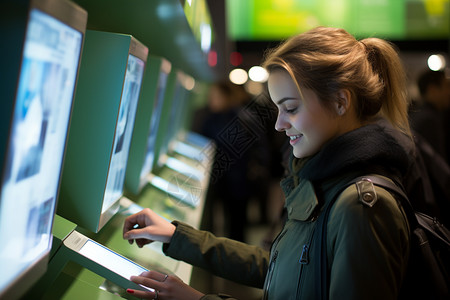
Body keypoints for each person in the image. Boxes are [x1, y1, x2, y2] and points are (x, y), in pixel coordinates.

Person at [122, 26, 413, 299]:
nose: (279, 124)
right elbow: (277, 265)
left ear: (340, 101)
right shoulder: (320, 180)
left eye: (291, 108)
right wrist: (177, 237)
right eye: (278, 109)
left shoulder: (362, 207)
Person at [409, 69, 450, 163]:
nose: (449, 92)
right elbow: (438, 163)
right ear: (432, 90)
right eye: (447, 86)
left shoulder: (419, 114)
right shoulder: (429, 120)